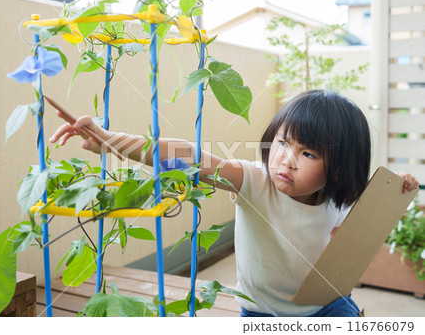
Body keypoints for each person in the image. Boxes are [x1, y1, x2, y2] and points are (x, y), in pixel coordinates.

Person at [49, 89, 419, 317]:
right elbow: (186, 156)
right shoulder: (254, 182)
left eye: (307, 154)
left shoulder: (340, 201)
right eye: (282, 143)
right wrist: (112, 140)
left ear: (338, 170)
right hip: (259, 314)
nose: (286, 160)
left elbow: (359, 237)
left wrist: (395, 192)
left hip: (326, 310)